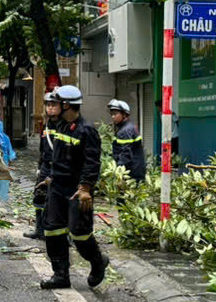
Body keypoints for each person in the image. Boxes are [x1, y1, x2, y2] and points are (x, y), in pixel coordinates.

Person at [39, 85, 109, 290]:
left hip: (77, 190)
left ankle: (97, 261)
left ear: (67, 105)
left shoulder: (86, 130)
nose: (52, 106)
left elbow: (92, 163)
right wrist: (50, 177)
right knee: (52, 230)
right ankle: (61, 275)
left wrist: (86, 188)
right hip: (57, 186)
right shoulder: (60, 126)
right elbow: (58, 156)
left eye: (57, 102)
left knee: (80, 233)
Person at [24, 92, 61, 240]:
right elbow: (42, 147)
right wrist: (39, 167)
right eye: (48, 105)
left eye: (54, 105)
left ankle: (62, 234)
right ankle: (39, 230)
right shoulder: (46, 125)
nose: (50, 108)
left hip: (59, 168)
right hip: (45, 166)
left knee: (58, 200)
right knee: (39, 196)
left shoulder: (64, 126)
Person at [108, 99, 146, 182]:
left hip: (132, 173)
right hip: (134, 170)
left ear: (124, 114)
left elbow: (126, 153)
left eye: (115, 114)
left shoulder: (126, 130)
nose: (113, 117)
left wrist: (119, 171)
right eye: (111, 114)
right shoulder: (125, 127)